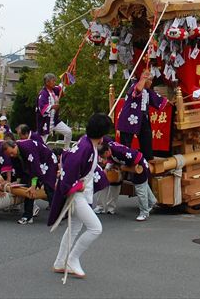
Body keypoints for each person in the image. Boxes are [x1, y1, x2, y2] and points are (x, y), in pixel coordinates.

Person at [48, 113, 111, 278]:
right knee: (95, 228)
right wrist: (78, 185)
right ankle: (73, 258)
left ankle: (60, 262)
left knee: (74, 228)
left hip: (80, 192)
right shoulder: (85, 148)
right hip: (76, 194)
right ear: (102, 133)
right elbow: (69, 171)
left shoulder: (87, 143)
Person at [3, 127, 58, 225]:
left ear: (15, 145)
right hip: (35, 165)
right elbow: (19, 169)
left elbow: (35, 167)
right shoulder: (14, 154)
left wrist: (33, 185)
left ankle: (58, 214)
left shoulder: (27, 147)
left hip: (48, 162)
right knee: (27, 188)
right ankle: (28, 216)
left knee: (49, 187)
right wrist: (18, 181)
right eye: (9, 154)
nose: (11, 155)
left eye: (11, 152)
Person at [96, 137, 156, 221]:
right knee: (144, 185)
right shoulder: (109, 146)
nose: (104, 158)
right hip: (131, 164)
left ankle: (144, 213)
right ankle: (152, 201)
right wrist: (108, 168)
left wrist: (122, 167)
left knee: (140, 189)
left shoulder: (120, 152)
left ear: (107, 152)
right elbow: (111, 159)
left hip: (139, 165)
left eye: (104, 156)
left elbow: (135, 160)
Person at [117, 69, 167, 160]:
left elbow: (161, 101)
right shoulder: (135, 86)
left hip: (142, 118)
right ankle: (124, 162)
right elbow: (138, 89)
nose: (151, 83)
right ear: (144, 79)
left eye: (152, 80)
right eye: (150, 80)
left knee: (146, 140)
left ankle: (148, 160)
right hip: (129, 118)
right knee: (126, 145)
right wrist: (143, 77)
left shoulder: (148, 91)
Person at [36, 73, 72, 149]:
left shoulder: (54, 90)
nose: (54, 82)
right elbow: (41, 107)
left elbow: (60, 88)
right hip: (45, 122)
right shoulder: (43, 93)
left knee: (68, 132)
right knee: (41, 144)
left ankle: (66, 150)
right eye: (53, 81)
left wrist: (65, 79)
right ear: (47, 82)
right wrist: (52, 107)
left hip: (54, 121)